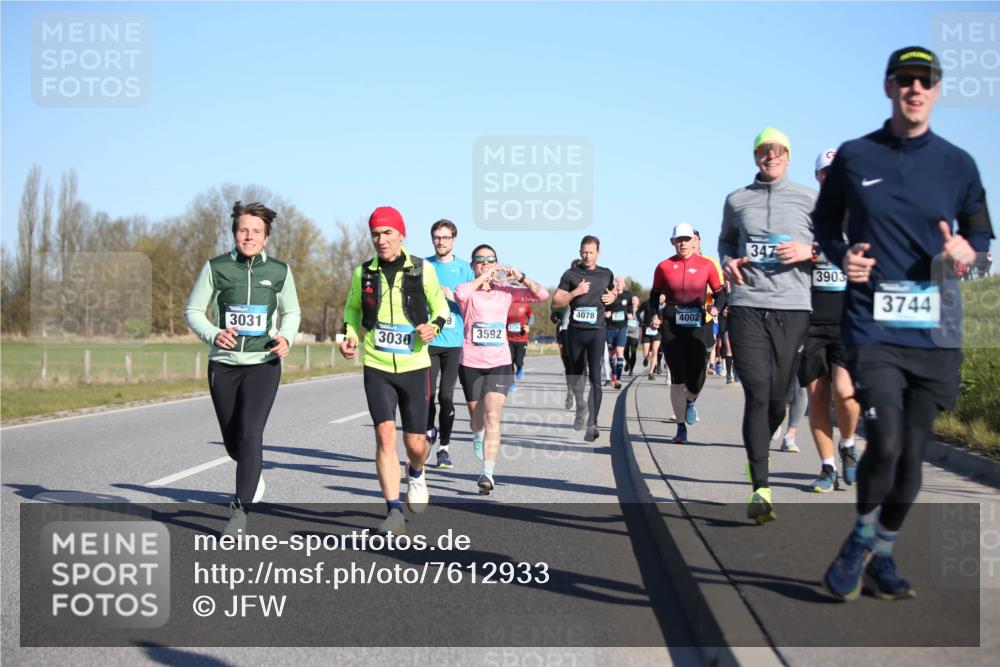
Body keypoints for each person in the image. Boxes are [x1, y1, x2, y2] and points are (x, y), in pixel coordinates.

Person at [817, 47, 993, 600]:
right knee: (888, 442)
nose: (916, 88)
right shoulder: (856, 156)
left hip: (936, 330)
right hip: (873, 324)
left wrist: (967, 250)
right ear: (889, 87)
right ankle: (859, 540)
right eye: (906, 79)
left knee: (913, 454)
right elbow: (825, 223)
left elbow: (981, 235)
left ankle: (882, 554)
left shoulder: (958, 164)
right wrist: (842, 254)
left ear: (937, 90)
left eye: (926, 80)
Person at [718, 126, 817, 524]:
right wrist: (728, 262)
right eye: (763, 150)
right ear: (755, 156)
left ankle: (761, 446)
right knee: (758, 392)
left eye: (778, 150)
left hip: (793, 308)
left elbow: (837, 244)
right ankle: (760, 486)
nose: (770, 156)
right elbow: (726, 242)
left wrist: (810, 250)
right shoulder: (737, 200)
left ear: (788, 156)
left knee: (778, 399)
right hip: (747, 306)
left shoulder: (810, 199)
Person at [185, 201, 301, 536]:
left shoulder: (279, 271)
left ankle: (239, 511)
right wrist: (214, 334)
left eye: (256, 232)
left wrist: (286, 338)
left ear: (266, 237)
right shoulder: (217, 267)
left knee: (251, 433)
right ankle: (252, 470)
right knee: (234, 443)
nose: (249, 236)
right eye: (243, 230)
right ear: (235, 233)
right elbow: (193, 311)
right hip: (224, 365)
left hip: (263, 363)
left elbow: (292, 312)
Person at [340, 206, 450, 535]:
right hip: (377, 364)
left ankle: (416, 471)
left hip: (415, 365)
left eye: (387, 233)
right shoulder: (363, 273)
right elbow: (351, 310)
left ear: (402, 235)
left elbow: (441, 307)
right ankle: (393, 511)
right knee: (385, 435)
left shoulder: (421, 270)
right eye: (375, 234)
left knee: (415, 444)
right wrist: (348, 336)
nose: (381, 239)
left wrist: (433, 327)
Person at [455, 245, 548, 494]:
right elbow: (460, 294)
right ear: (473, 265)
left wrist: (521, 277)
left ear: (497, 263)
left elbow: (542, 295)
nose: (485, 263)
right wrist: (482, 278)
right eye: (480, 260)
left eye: (490, 260)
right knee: (477, 420)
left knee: (492, 417)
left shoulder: (507, 292)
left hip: (499, 362)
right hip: (471, 363)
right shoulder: (468, 290)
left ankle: (487, 474)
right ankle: (477, 433)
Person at [799, 148, 860, 492]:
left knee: (845, 392)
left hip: (849, 318)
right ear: (818, 176)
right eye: (825, 172)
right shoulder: (806, 217)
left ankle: (848, 444)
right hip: (811, 318)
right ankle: (827, 467)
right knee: (817, 397)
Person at [651, 223, 726, 443]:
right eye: (678, 240)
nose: (682, 243)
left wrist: (716, 308)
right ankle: (680, 427)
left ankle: (691, 401)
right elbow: (654, 295)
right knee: (677, 377)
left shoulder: (706, 265)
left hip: (697, 325)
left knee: (697, 377)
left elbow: (721, 294)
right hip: (672, 325)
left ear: (694, 241)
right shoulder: (664, 266)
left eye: (686, 239)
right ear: (672, 242)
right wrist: (655, 314)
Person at [552, 236, 618, 442]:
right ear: (580, 252)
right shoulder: (571, 274)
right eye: (584, 252)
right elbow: (556, 302)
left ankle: (593, 424)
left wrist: (614, 297)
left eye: (591, 252)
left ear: (598, 253)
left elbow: (612, 293)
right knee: (577, 376)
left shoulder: (606, 274)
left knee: (595, 378)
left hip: (597, 331)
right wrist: (575, 292)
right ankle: (580, 407)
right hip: (576, 333)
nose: (587, 256)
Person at [425, 219, 475, 469]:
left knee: (446, 396)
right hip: (428, 340)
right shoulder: (423, 266)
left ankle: (443, 448)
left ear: (454, 240)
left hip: (455, 343)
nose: (440, 241)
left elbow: (474, 304)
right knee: (426, 396)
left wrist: (452, 296)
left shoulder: (465, 270)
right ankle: (428, 432)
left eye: (445, 237)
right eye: (437, 237)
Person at [604, 276, 633, 389]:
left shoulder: (628, 295)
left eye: (621, 281)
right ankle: (613, 375)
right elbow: (602, 308)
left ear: (624, 284)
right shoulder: (608, 294)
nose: (619, 283)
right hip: (610, 328)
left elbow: (630, 307)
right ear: (614, 283)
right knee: (612, 355)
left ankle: (618, 379)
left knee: (620, 352)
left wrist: (630, 314)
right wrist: (605, 314)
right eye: (617, 281)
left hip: (622, 327)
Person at [506, 296, 533, 391]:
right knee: (509, 361)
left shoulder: (525, 304)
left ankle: (520, 367)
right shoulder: (505, 303)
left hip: (522, 339)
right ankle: (511, 383)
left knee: (518, 361)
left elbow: (531, 316)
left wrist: (528, 325)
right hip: (508, 338)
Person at [624, 295, 641, 376]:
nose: (633, 301)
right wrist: (626, 316)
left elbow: (643, 322)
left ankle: (631, 369)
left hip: (635, 335)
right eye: (632, 300)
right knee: (625, 351)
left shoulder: (640, 312)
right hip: (626, 333)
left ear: (638, 302)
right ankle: (627, 362)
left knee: (633, 352)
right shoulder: (627, 310)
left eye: (635, 300)